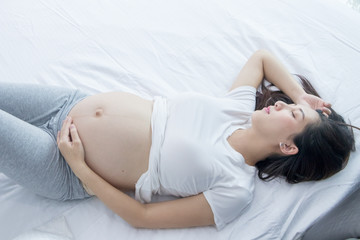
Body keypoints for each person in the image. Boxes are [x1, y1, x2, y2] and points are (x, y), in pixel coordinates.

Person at [0, 50, 356, 230]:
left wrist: (79, 166)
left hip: (61, 164)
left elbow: (142, 216)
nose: (280, 102)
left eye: (292, 113)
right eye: (290, 103)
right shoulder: (237, 108)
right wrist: (302, 97)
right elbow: (262, 58)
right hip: (67, 103)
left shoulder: (235, 189)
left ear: (288, 147)